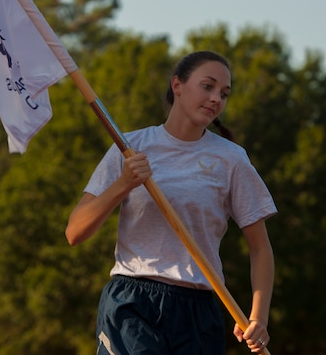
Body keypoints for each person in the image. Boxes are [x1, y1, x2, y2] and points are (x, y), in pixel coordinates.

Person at [65, 51, 276, 355]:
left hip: (198, 310)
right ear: (177, 85)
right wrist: (123, 184)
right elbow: (75, 232)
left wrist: (258, 317)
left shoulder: (232, 159)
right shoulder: (129, 148)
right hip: (132, 302)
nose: (216, 98)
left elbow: (260, 248)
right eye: (208, 86)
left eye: (224, 93)